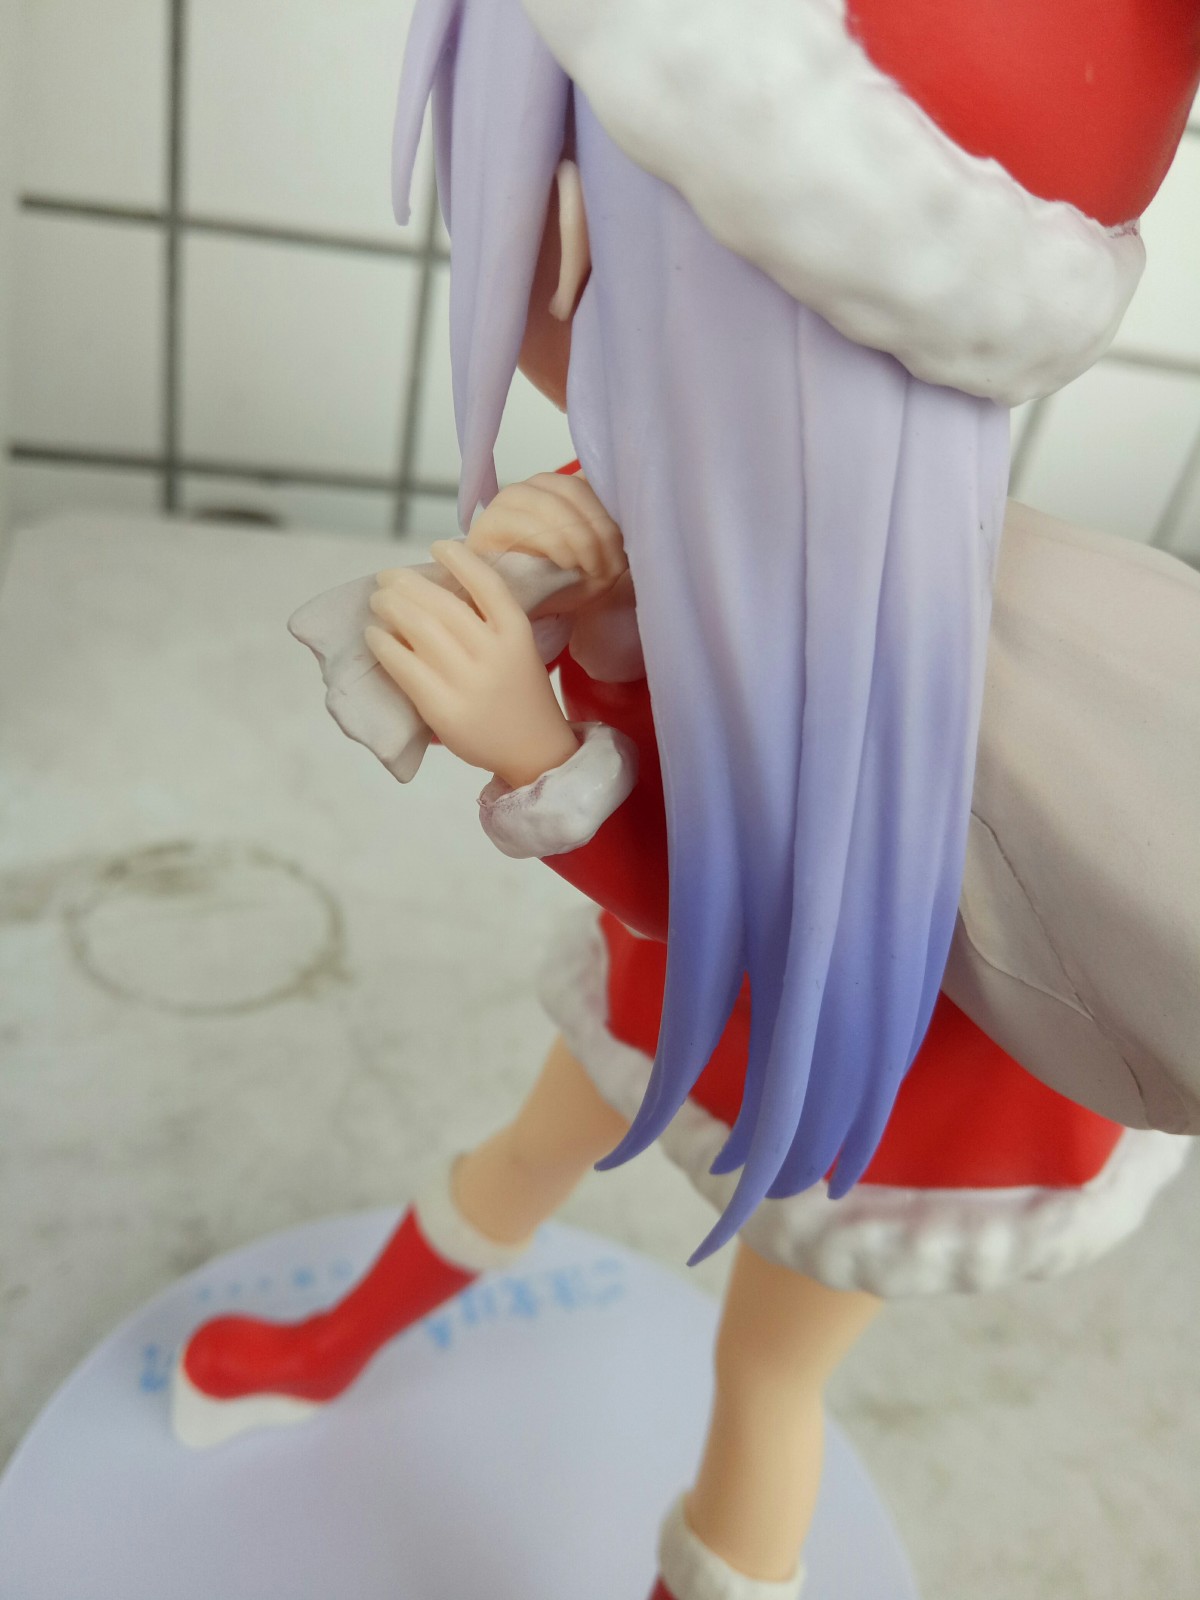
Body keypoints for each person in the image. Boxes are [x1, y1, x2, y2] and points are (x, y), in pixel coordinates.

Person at [172, 4, 1200, 1595]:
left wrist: (536, 747)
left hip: (886, 1084)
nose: (541, 263)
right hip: (683, 998)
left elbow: (780, 904)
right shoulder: (711, 493)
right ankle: (334, 1344)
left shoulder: (901, 623)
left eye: (572, 216)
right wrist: (593, 585)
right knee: (524, 1153)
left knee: (765, 1375)